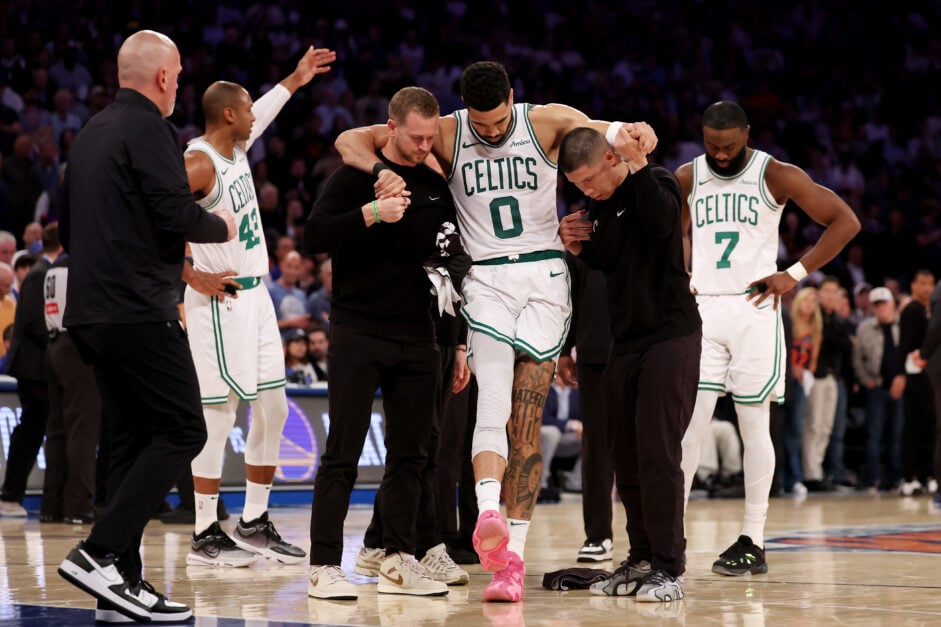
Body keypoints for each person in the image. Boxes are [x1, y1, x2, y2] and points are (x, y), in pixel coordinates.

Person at [335, 60, 656, 603]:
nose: (487, 131)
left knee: (527, 418)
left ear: (513, 95)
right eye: (479, 124)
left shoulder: (550, 121)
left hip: (545, 274)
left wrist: (635, 133)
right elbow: (350, 139)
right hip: (483, 277)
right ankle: (487, 515)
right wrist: (378, 172)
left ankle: (511, 563)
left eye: (496, 120)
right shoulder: (448, 130)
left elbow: (618, 136)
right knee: (492, 407)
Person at [56, 30, 235, 624]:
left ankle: (121, 585)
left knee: (131, 442)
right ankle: (100, 552)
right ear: (162, 77)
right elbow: (172, 212)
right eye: (179, 75)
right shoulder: (151, 129)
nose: (180, 84)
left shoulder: (89, 133)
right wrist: (221, 227)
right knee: (185, 429)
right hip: (137, 309)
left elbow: (70, 223)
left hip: (90, 313)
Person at [675, 101, 860, 577]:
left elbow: (845, 221)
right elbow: (669, 232)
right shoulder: (688, 177)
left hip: (755, 307)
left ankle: (752, 539)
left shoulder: (775, 173)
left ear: (748, 135)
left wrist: (794, 273)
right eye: (713, 146)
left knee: (752, 422)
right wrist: (681, 270)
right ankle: (669, 532)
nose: (720, 155)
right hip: (704, 309)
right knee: (688, 425)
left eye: (730, 146)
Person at [305, 86, 461, 600]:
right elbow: (315, 236)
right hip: (358, 329)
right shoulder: (355, 176)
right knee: (342, 454)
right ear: (390, 129)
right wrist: (372, 213)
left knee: (411, 456)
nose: (423, 146)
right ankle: (324, 564)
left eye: (429, 137)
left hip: (420, 334)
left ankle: (398, 560)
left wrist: (457, 341)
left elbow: (451, 264)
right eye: (414, 138)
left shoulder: (439, 184)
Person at [181, 45, 335, 568]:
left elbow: (266, 109)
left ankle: (253, 522)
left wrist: (294, 79)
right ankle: (204, 531)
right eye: (246, 109)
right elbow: (150, 220)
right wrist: (190, 274)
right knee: (219, 415)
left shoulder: (238, 150)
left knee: (274, 407)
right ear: (228, 114)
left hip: (258, 296)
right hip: (219, 298)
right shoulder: (198, 161)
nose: (254, 116)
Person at [557, 126, 700, 602]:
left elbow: (662, 226)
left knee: (660, 453)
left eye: (590, 181)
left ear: (613, 161)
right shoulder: (600, 206)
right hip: (626, 342)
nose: (586, 191)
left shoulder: (656, 180)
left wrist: (638, 161)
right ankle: (640, 555)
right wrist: (580, 250)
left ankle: (670, 566)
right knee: (626, 456)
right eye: (577, 185)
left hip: (671, 337)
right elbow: (613, 262)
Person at [556, 251, 616, 563]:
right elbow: (572, 293)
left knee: (648, 445)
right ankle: (598, 534)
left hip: (644, 344)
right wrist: (565, 348)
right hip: (593, 349)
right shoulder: (584, 226)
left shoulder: (648, 210)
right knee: (596, 447)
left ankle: (651, 535)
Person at [0, 223, 62, 517]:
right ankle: (10, 494)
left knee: (34, 430)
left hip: (38, 366)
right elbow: (34, 323)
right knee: (30, 432)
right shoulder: (40, 274)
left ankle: (13, 494)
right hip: (32, 367)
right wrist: (60, 338)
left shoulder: (41, 273)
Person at [854, 287, 905, 492]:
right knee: (874, 435)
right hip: (877, 387)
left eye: (884, 303)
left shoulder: (903, 325)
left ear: (892, 304)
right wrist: (867, 380)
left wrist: (904, 380)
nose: (882, 308)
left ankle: (897, 478)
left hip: (900, 386)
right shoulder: (865, 328)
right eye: (877, 305)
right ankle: (872, 479)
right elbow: (857, 359)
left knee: (898, 435)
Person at [898, 270, 936, 495]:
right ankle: (917, 475)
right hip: (916, 374)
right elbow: (904, 346)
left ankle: (916, 476)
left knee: (918, 425)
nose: (927, 288)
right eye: (922, 283)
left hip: (921, 374)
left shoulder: (925, 309)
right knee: (924, 425)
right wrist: (901, 374)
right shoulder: (913, 310)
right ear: (913, 285)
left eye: (930, 284)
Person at [784, 287, 823, 495]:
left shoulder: (815, 328)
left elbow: (813, 361)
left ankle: (795, 477)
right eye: (806, 299)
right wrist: (793, 368)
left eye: (813, 300)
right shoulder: (788, 321)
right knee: (785, 429)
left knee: (798, 430)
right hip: (786, 379)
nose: (810, 303)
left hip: (803, 383)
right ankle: (785, 477)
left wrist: (806, 372)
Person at [537, 376, 582, 504]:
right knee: (552, 433)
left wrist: (582, 428)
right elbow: (543, 417)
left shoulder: (576, 391)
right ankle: (541, 482)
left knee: (592, 436)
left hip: (569, 438)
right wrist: (570, 424)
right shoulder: (544, 389)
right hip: (545, 437)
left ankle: (575, 482)